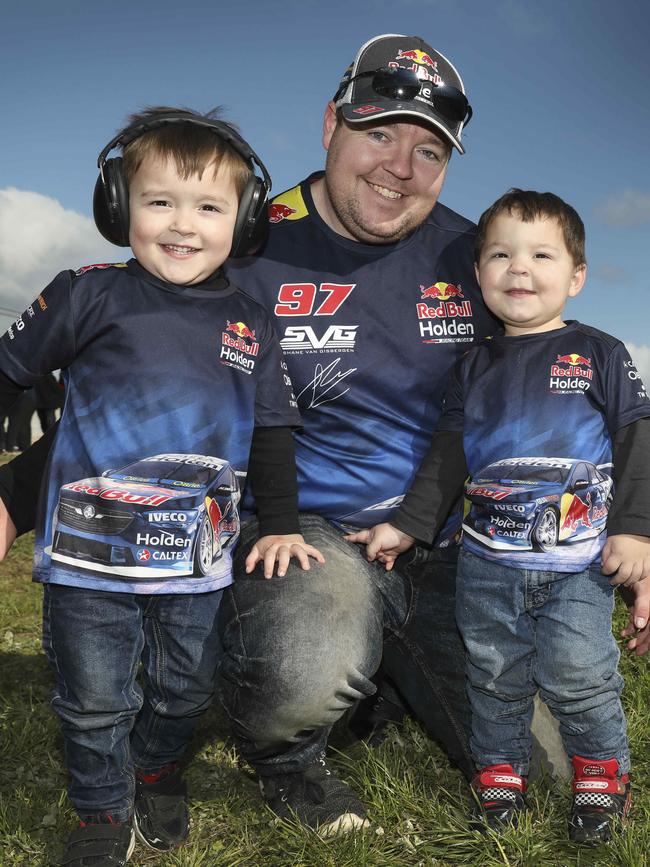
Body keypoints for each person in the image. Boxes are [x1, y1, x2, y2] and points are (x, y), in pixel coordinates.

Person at [2, 34, 649, 837]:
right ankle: (289, 751)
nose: (399, 167)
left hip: (460, 542)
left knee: (550, 762)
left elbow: (574, 397)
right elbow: (134, 395)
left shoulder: (477, 255)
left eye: (427, 149)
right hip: (305, 534)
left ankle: (381, 679)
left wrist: (633, 537)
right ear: (329, 126)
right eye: (379, 133)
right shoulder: (242, 242)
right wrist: (11, 495)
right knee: (308, 666)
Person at [0, 106, 323, 865]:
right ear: (119, 206)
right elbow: (8, 374)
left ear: (241, 219)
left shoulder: (255, 321)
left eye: (208, 207)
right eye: (159, 202)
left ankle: (157, 764)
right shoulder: (85, 293)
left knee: (184, 687)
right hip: (86, 560)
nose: (182, 225)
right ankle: (101, 809)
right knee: (93, 698)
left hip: (196, 563)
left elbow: (272, 434)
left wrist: (279, 522)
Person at [348, 189, 650, 843]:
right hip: (484, 565)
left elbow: (636, 440)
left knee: (578, 675)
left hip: (575, 564)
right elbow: (447, 455)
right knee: (491, 676)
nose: (520, 268)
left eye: (541, 254)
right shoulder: (472, 364)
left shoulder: (600, 353)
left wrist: (634, 529)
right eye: (501, 255)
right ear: (479, 274)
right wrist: (406, 524)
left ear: (576, 276)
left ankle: (601, 782)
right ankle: (498, 778)